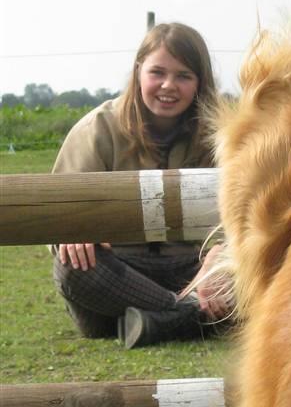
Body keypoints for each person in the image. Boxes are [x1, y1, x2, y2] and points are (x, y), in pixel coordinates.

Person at [51, 21, 231, 348]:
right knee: (70, 268)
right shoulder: (97, 129)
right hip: (119, 274)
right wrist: (74, 233)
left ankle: (158, 322)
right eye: (157, 72)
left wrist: (220, 256)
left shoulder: (222, 136)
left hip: (194, 271)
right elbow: (58, 215)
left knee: (252, 269)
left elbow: (247, 218)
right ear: (138, 71)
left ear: (200, 82)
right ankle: (187, 316)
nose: (168, 85)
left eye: (184, 76)